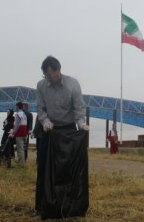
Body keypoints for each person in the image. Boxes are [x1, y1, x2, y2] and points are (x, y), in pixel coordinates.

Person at [33, 55, 89, 218]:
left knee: (68, 169)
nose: (49, 78)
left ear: (59, 70)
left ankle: (70, 206)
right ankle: (41, 207)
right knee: (43, 168)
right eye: (46, 75)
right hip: (49, 130)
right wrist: (45, 121)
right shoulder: (41, 85)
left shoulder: (73, 84)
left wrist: (81, 123)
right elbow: (40, 108)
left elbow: (79, 108)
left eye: (52, 74)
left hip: (68, 130)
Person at [9, 102, 28, 167]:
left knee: (20, 149)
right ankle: (21, 162)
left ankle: (21, 164)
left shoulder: (18, 114)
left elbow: (17, 125)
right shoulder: (24, 114)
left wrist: (13, 133)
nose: (15, 108)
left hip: (19, 133)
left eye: (15, 106)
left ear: (17, 107)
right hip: (24, 132)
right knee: (22, 148)